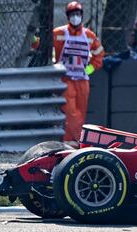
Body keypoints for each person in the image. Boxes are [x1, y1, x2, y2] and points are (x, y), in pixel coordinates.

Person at [53, 1, 104, 147]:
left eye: (77, 14)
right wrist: (34, 38)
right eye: (72, 14)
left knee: (81, 112)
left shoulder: (89, 35)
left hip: (82, 81)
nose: (75, 17)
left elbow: (99, 56)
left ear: (81, 15)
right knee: (71, 113)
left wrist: (88, 70)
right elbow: (40, 44)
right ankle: (71, 142)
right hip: (65, 79)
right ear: (68, 16)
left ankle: (76, 141)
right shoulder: (59, 33)